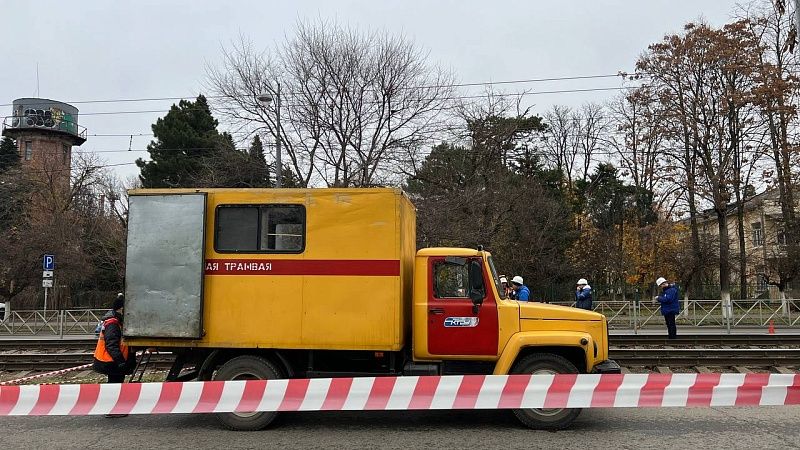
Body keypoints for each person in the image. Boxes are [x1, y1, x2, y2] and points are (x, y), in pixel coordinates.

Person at [93, 293, 135, 387]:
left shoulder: (116, 322)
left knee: (115, 386)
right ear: (121, 309)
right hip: (112, 362)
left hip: (112, 361)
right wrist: (121, 362)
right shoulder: (113, 324)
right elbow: (111, 345)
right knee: (115, 386)